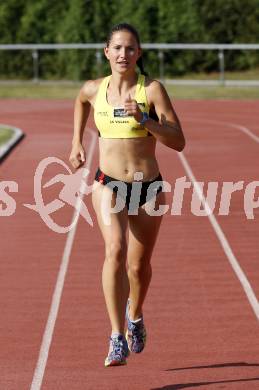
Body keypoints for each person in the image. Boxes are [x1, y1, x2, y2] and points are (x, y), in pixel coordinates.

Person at [69, 23, 185, 367]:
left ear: (139, 53)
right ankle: (116, 335)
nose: (123, 54)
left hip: (147, 188)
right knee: (115, 250)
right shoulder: (93, 89)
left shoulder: (151, 91)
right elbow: (80, 102)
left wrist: (147, 120)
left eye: (130, 48)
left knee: (139, 266)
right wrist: (75, 141)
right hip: (108, 184)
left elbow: (179, 141)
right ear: (106, 52)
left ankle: (135, 316)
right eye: (117, 48)